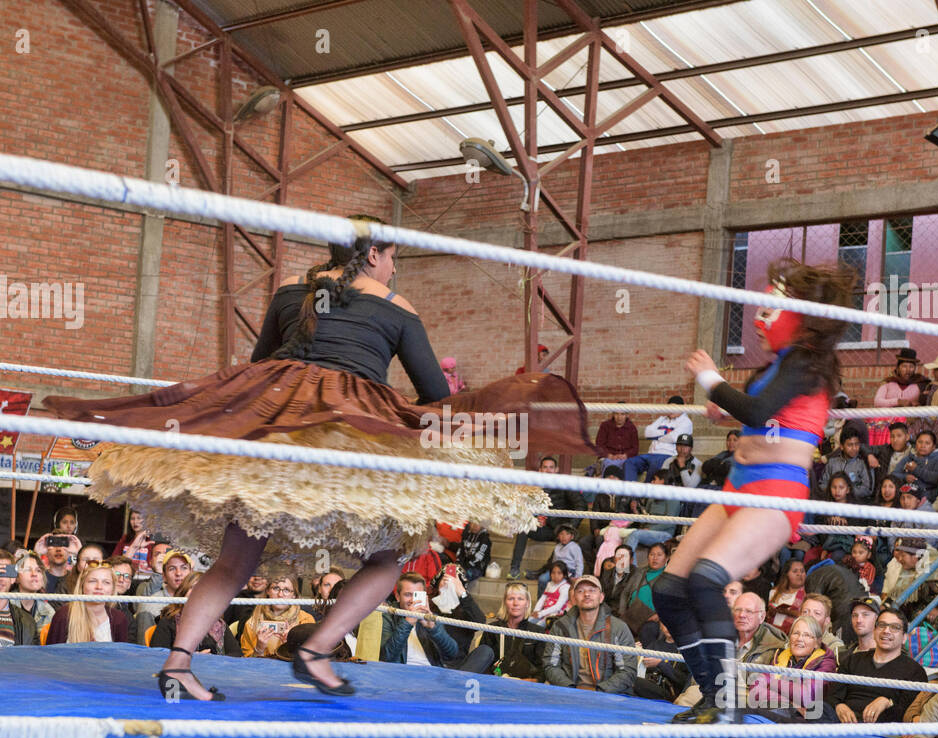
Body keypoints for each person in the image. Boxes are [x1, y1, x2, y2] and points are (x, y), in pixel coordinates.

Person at [45, 216, 592, 699]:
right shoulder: (396, 306)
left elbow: (260, 363)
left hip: (271, 426)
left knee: (237, 561)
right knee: (392, 556)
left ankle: (178, 663)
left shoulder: (290, 291)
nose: (394, 268)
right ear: (375, 254)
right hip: (348, 437)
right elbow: (432, 391)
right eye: (393, 256)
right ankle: (318, 650)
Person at [656, 258, 854, 723]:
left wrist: (710, 377)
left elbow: (760, 407)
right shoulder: (780, 365)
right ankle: (713, 694)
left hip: (774, 493)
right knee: (669, 590)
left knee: (707, 580)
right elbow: (763, 412)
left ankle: (727, 705)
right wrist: (727, 411)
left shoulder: (807, 362)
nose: (758, 325)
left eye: (768, 313)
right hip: (735, 488)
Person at [827, 605, 927, 724]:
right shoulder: (853, 660)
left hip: (879, 727)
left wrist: (887, 702)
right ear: (874, 631)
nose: (886, 631)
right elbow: (831, 696)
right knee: (814, 708)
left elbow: (909, 711)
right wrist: (839, 706)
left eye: (895, 627)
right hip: (841, 721)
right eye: (882, 625)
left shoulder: (914, 671)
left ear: (904, 638)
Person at [379, 573, 494, 671]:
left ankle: (454, 687)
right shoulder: (387, 616)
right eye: (408, 595)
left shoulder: (431, 616)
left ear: (424, 596)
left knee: (485, 651)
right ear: (398, 597)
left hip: (433, 675)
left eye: (417, 595)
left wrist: (433, 629)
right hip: (402, 674)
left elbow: (451, 654)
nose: (413, 600)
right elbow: (386, 657)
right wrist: (408, 622)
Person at [542, 575, 636, 694]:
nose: (586, 594)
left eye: (592, 590)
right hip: (569, 692)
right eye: (580, 591)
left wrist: (600, 691)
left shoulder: (618, 628)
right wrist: (570, 689)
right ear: (574, 598)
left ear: (601, 597)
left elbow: (627, 671)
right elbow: (551, 665)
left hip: (607, 695)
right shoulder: (560, 627)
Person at [508, 456, 587, 581]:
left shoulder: (564, 484)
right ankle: (514, 569)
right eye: (545, 467)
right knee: (524, 529)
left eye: (551, 467)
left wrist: (568, 528)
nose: (548, 470)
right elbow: (524, 508)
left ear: (556, 469)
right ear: (540, 470)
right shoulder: (533, 487)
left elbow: (581, 505)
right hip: (545, 529)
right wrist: (533, 520)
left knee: (561, 546)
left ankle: (541, 573)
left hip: (561, 530)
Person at [747, 615, 837, 720]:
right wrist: (790, 703)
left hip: (805, 720)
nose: (799, 639)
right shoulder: (781, 656)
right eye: (796, 633)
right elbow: (755, 690)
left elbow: (806, 696)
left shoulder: (825, 662)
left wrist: (772, 683)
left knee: (747, 714)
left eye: (807, 635)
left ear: (817, 642)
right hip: (776, 710)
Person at [225, 575, 316, 658]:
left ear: (294, 596)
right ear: (268, 591)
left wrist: (290, 647)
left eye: (286, 590)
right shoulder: (252, 623)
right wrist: (259, 649)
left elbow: (310, 661)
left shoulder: (305, 621)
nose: (280, 595)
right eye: (276, 588)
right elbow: (248, 664)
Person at [44, 563, 133, 644]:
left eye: (106, 582)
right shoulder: (64, 615)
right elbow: (51, 657)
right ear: (82, 585)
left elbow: (121, 658)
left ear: (113, 589)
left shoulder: (119, 619)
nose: (99, 587)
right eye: (92, 581)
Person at [481, 581, 547, 679]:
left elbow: (542, 668)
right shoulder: (492, 630)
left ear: (527, 603)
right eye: (511, 599)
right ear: (504, 603)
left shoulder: (538, 632)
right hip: (495, 683)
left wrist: (533, 681)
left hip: (526, 686)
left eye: (520, 599)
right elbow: (482, 663)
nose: (515, 603)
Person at [151, 571, 225, 655]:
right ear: (183, 592)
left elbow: (236, 653)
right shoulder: (168, 622)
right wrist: (193, 658)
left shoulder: (218, 623)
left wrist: (216, 660)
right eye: (193, 587)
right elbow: (157, 656)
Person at [624, 397, 694, 484]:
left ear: (681, 408)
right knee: (630, 462)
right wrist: (666, 432)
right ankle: (630, 493)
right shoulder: (662, 419)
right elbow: (647, 433)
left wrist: (656, 436)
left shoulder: (686, 422)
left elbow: (674, 438)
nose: (671, 410)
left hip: (667, 455)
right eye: (669, 408)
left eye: (674, 408)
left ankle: (645, 494)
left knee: (655, 462)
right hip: (651, 454)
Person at [870, 348, 929, 445]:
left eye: (911, 367)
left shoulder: (921, 384)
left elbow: (925, 403)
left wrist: (917, 404)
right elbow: (877, 402)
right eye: (904, 366)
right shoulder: (888, 383)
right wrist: (898, 401)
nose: (908, 370)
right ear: (898, 368)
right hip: (887, 422)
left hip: (910, 422)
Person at [820, 428, 873, 502]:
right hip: (832, 503)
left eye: (856, 444)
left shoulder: (862, 463)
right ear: (841, 446)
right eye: (850, 445)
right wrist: (835, 491)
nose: (854, 448)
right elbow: (822, 484)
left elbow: (867, 489)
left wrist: (846, 492)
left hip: (855, 504)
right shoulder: (832, 462)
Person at [14, 551, 56, 633]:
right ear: (16, 578)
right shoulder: (5, 605)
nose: (34, 574)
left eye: (38, 570)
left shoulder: (48, 611)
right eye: (27, 570)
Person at [766, 559, 807, 635]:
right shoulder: (774, 592)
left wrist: (787, 612)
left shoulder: (807, 596)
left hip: (792, 634)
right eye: (795, 571)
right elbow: (767, 615)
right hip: (771, 631)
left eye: (802, 571)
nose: (799, 574)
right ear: (786, 574)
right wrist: (771, 611)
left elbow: (807, 618)